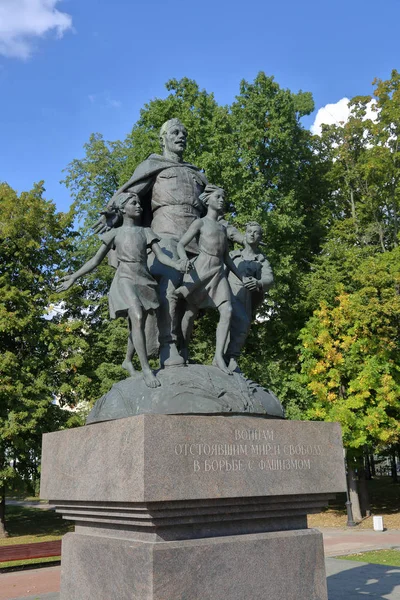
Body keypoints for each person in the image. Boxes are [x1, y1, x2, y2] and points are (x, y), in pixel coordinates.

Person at [94, 118, 242, 368]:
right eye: (174, 132)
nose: (180, 136)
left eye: (184, 133)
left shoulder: (197, 174)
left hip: (196, 240)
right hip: (164, 235)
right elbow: (129, 194)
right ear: (163, 138)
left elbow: (216, 212)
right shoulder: (153, 166)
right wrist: (112, 214)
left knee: (192, 301)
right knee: (170, 289)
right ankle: (167, 345)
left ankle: (182, 348)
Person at [57, 193, 190, 388]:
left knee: (138, 323)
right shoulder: (115, 234)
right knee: (136, 316)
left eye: (139, 203)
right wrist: (74, 277)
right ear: (122, 208)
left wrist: (177, 265)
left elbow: (161, 257)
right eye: (133, 203)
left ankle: (127, 359)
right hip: (125, 278)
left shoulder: (146, 232)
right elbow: (95, 261)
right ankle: (146, 369)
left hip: (144, 279)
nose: (139, 206)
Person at [174, 185, 244, 375]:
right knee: (190, 313)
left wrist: (241, 277)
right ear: (208, 200)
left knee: (227, 310)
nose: (222, 200)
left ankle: (218, 356)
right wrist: (183, 259)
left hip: (218, 271)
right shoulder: (200, 223)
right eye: (218, 196)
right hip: (201, 270)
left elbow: (227, 258)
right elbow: (181, 244)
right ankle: (183, 348)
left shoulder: (223, 227)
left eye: (223, 197)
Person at [225, 221, 273, 372]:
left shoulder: (261, 260)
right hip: (228, 294)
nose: (252, 234)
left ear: (260, 238)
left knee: (242, 326)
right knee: (228, 324)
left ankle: (230, 357)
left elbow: (269, 279)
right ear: (244, 235)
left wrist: (258, 282)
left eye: (256, 232)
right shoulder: (233, 255)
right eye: (249, 231)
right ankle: (225, 357)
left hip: (246, 298)